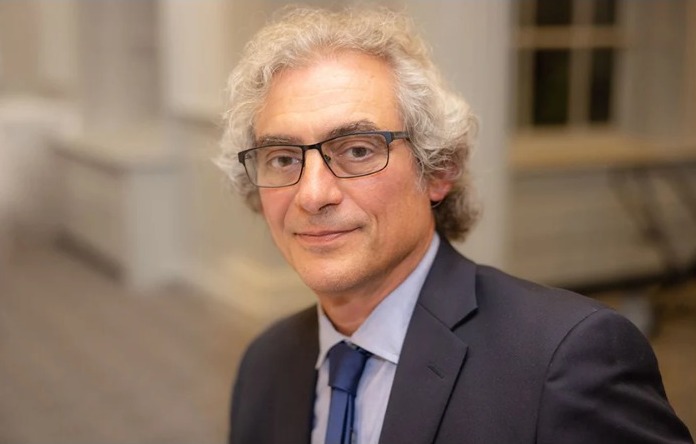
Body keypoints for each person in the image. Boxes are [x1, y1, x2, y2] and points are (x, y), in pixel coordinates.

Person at [217, 6, 693, 444]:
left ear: (438, 171)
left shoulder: (566, 359)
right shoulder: (265, 365)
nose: (312, 194)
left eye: (358, 150)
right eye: (282, 158)